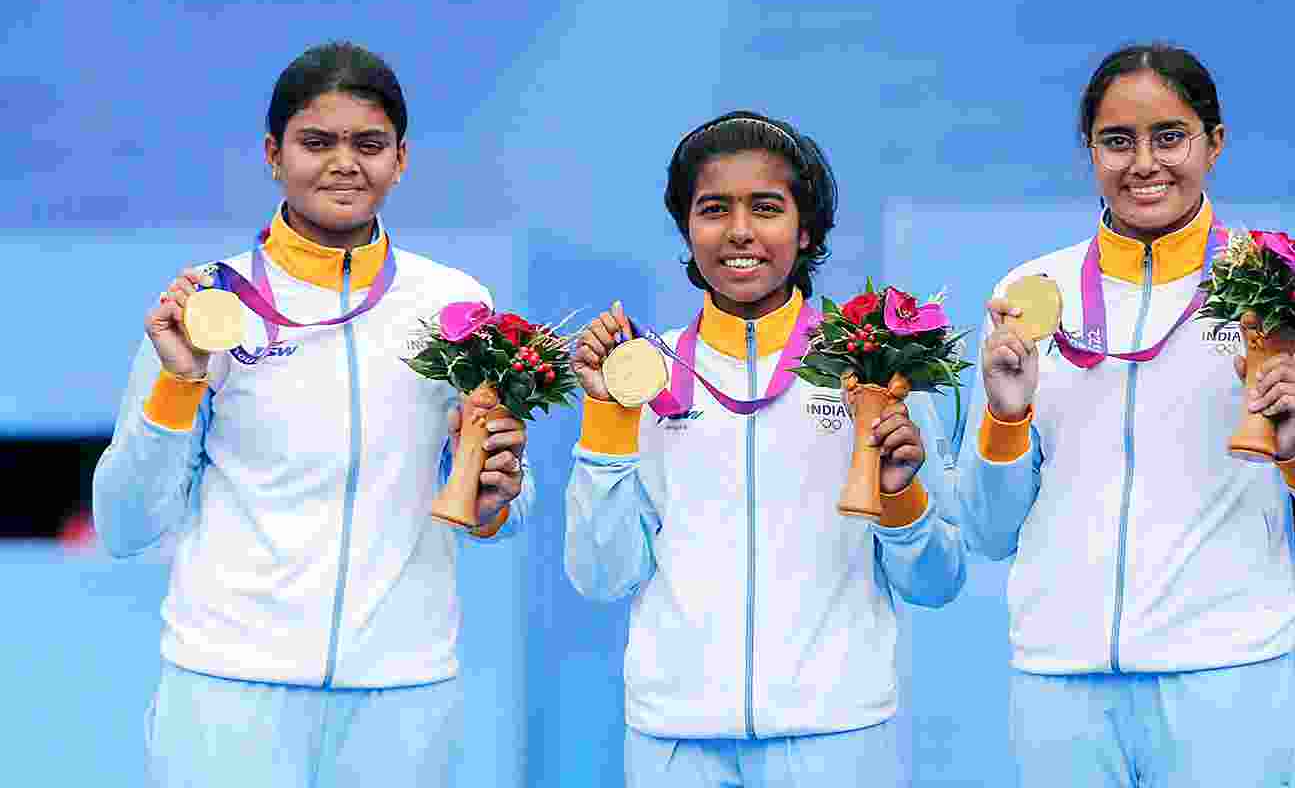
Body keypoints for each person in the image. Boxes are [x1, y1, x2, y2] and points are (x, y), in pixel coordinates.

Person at [91, 41, 532, 787]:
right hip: (228, 688)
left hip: (403, 691)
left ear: (402, 159)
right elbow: (124, 524)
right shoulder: (207, 304)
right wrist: (179, 384)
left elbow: (505, 510)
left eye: (369, 144)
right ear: (273, 153)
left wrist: (496, 500)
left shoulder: (456, 306)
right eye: (316, 142)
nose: (344, 163)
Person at [958, 43, 1295, 787]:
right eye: (1117, 140)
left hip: (1226, 684)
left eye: (1170, 136)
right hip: (1058, 688)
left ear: (1213, 144)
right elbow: (987, 531)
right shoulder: (1029, 292)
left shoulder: (1288, 292)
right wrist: (1006, 418)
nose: (1144, 163)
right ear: (1089, 150)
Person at [565, 110, 967, 787]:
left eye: (767, 208)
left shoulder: (874, 369)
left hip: (837, 735)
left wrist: (901, 497)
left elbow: (938, 580)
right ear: (687, 230)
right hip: (675, 739)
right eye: (714, 209)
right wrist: (606, 419)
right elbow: (600, 577)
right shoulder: (642, 374)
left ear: (806, 230)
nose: (740, 231)